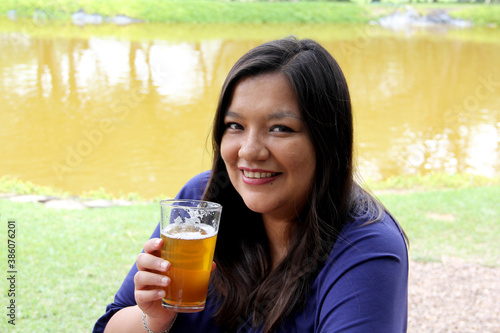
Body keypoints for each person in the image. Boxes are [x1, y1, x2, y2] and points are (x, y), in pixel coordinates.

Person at [94, 37, 408, 333]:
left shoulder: (366, 249)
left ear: (326, 141)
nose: (249, 150)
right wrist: (154, 319)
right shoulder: (201, 203)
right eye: (236, 126)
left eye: (280, 128)